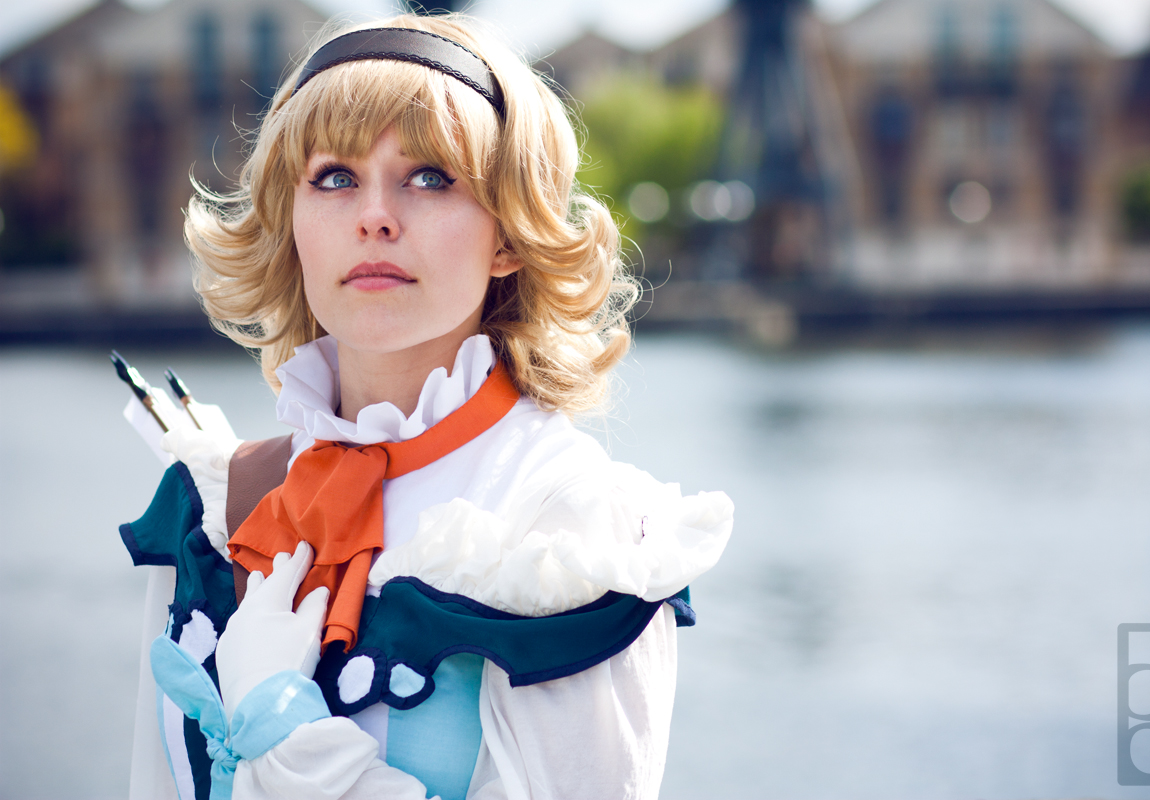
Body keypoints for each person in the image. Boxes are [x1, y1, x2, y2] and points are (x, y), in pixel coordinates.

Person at [118, 12, 733, 800]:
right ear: (291, 222)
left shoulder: (566, 533)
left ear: (509, 235)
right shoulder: (214, 507)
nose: (374, 215)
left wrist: (289, 734)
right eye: (334, 177)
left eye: (431, 176)